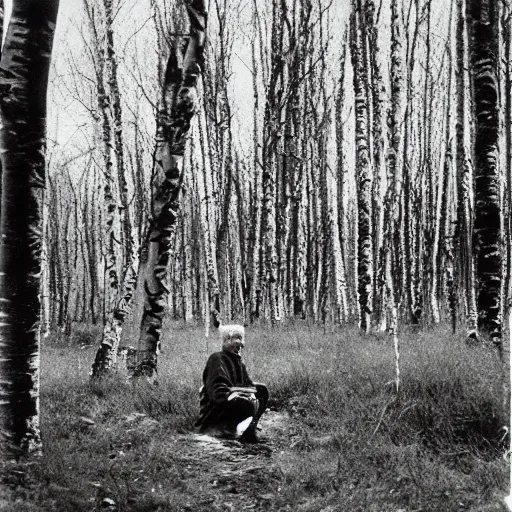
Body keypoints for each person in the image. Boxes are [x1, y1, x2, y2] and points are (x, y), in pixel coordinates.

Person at [195, 324, 269, 443]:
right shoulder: (216, 359)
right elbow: (218, 392)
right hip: (217, 408)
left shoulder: (238, 362)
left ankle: (250, 430)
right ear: (226, 340)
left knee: (262, 391)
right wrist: (240, 393)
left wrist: (249, 392)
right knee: (245, 403)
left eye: (241, 338)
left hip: (235, 397)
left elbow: (247, 384)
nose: (241, 344)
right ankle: (220, 430)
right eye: (237, 338)